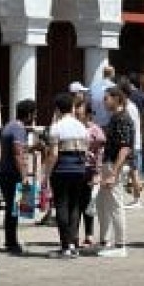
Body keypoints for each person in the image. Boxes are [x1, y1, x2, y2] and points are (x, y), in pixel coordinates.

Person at [43, 93, 90, 258]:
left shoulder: (56, 127)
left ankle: (65, 246)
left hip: (61, 169)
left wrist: (46, 173)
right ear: (72, 108)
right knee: (75, 205)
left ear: (57, 109)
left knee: (61, 205)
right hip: (79, 169)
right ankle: (72, 243)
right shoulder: (82, 127)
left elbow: (54, 154)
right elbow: (86, 150)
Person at [0, 99, 37, 255]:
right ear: (29, 114)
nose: (35, 117)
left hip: (5, 171)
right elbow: (17, 154)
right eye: (34, 114)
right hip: (12, 174)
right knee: (13, 208)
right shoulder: (18, 129)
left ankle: (11, 239)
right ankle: (11, 241)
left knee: (12, 208)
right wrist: (24, 176)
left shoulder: (9, 126)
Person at [97, 87, 132, 258]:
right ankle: (105, 241)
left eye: (107, 98)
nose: (104, 102)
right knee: (102, 204)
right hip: (109, 164)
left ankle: (120, 244)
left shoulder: (122, 118)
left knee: (115, 205)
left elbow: (124, 148)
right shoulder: (115, 118)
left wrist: (114, 173)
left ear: (117, 98)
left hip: (114, 166)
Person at [75, 100, 104, 249]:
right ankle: (74, 235)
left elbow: (100, 154)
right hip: (75, 170)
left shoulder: (96, 131)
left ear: (87, 114)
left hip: (88, 171)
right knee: (75, 204)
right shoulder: (74, 128)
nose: (77, 115)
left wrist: (97, 172)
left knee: (87, 203)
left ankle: (89, 235)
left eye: (79, 113)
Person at [121, 81, 144, 209]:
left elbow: (130, 127)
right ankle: (136, 198)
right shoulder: (131, 106)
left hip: (132, 144)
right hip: (133, 144)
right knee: (132, 172)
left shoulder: (129, 108)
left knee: (134, 172)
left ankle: (137, 199)